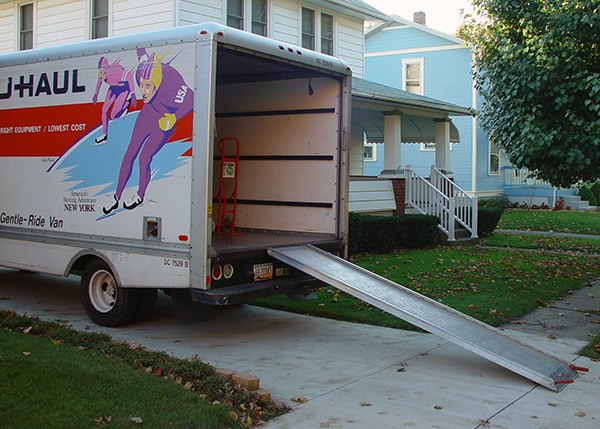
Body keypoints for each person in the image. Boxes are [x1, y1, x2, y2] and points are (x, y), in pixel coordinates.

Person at [103, 49, 193, 214]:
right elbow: (141, 53)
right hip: (148, 113)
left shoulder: (174, 83)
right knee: (130, 152)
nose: (143, 91)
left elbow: (191, 100)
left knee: (144, 156)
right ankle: (116, 197)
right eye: (141, 86)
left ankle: (139, 195)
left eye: (148, 87)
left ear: (158, 83)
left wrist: (174, 117)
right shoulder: (142, 70)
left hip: (164, 119)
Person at [92, 56, 136, 144]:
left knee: (113, 116)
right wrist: (96, 94)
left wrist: (133, 93)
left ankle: (127, 103)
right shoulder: (102, 74)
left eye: (102, 71)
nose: (101, 75)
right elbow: (98, 83)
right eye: (99, 71)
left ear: (107, 69)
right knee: (104, 110)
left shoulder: (117, 72)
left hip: (123, 88)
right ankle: (104, 135)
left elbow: (129, 75)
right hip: (113, 88)